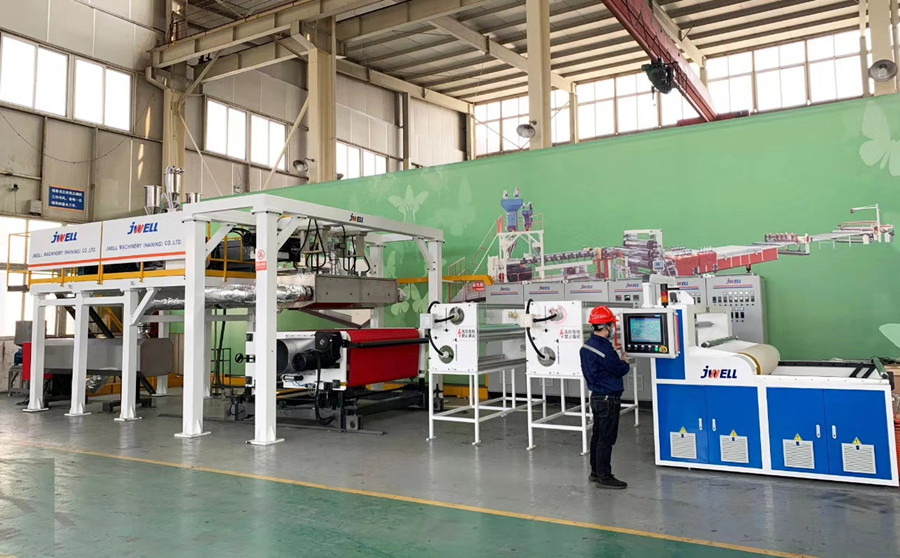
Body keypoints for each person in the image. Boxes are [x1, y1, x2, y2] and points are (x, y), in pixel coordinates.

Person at [580, 306, 630, 489]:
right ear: (606, 326)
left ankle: (595, 472)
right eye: (612, 325)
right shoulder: (605, 350)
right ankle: (604, 477)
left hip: (597, 397)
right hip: (609, 399)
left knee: (597, 436)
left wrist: (612, 353)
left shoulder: (588, 346)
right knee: (606, 439)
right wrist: (623, 360)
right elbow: (619, 369)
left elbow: (601, 363)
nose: (613, 328)